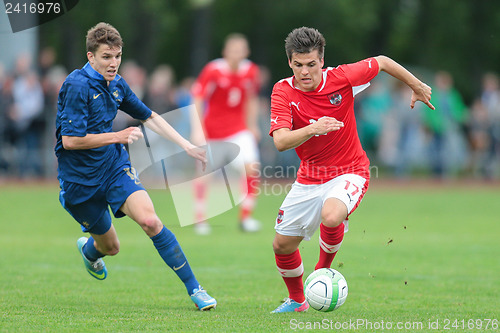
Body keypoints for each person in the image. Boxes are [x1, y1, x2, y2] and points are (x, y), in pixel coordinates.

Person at [268, 27, 434, 313]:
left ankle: (322, 272)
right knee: (282, 246)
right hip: (309, 177)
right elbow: (281, 141)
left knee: (331, 215)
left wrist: (416, 85)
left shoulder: (342, 77)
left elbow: (381, 61)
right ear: (290, 63)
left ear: (322, 61)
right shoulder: (283, 90)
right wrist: (314, 128)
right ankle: (297, 302)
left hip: (351, 169)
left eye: (311, 64)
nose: (305, 72)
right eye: (298, 65)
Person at [55, 22, 216, 311]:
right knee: (110, 248)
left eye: (117, 56)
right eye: (106, 57)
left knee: (151, 221)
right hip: (79, 181)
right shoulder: (76, 85)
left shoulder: (117, 84)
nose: (113, 63)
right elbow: (70, 141)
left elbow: (149, 116)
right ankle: (90, 250)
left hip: (113, 167)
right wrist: (117, 135)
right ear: (91, 57)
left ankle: (196, 289)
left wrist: (187, 145)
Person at [191, 33, 262, 234]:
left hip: (238, 130)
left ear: (246, 52)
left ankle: (246, 217)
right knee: (204, 175)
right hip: (212, 132)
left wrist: (253, 125)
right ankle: (200, 218)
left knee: (252, 167)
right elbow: (197, 97)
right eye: (233, 50)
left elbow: (252, 98)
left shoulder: (251, 71)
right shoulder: (213, 70)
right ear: (225, 52)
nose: (236, 54)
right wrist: (198, 129)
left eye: (240, 50)